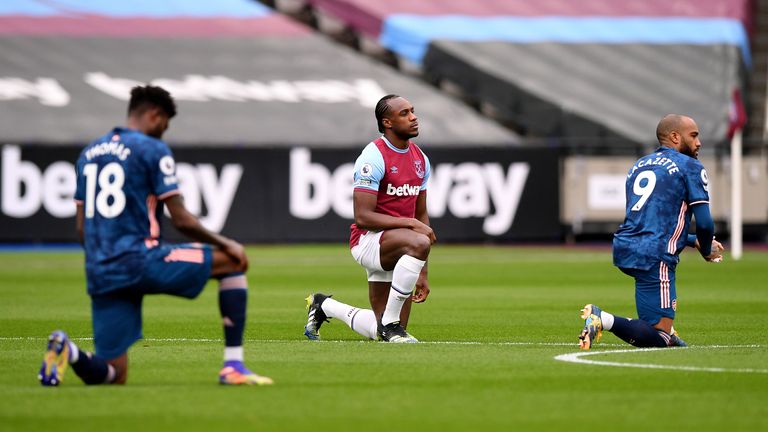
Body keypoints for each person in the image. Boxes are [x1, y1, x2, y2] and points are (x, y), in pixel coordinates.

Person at [39, 85, 273, 386]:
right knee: (232, 262)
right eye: (165, 123)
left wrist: (104, 262)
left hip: (101, 269)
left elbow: (82, 229)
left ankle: (69, 352)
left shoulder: (89, 154)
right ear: (154, 115)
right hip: (139, 258)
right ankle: (233, 366)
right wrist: (228, 242)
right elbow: (182, 220)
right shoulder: (152, 149)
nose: (164, 131)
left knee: (114, 374)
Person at [579, 114, 724, 350]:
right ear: (675, 137)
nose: (699, 143)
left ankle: (667, 330)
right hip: (656, 256)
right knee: (659, 338)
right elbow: (706, 223)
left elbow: (650, 221)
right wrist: (707, 249)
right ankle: (602, 318)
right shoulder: (691, 166)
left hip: (626, 247)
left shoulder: (639, 165)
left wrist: (693, 241)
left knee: (658, 327)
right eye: (694, 136)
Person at [303, 94, 435, 343]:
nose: (414, 117)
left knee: (379, 330)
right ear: (387, 122)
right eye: (405, 113)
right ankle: (391, 325)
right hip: (369, 242)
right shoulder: (373, 157)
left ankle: (324, 306)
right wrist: (412, 225)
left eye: (413, 111)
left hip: (401, 245)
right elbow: (363, 217)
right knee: (417, 242)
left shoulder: (421, 160)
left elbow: (421, 215)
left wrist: (423, 271)